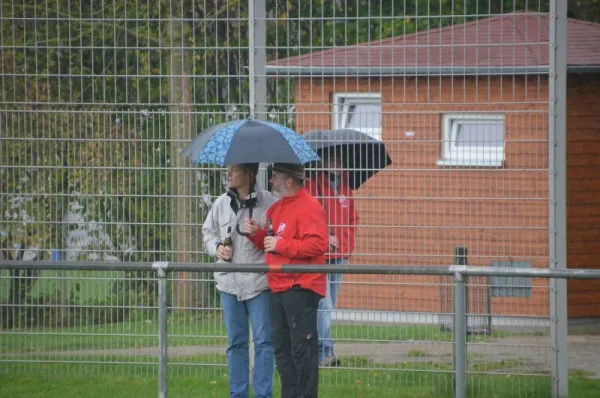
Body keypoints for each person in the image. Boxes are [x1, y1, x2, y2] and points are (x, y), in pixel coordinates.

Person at [244, 163, 329, 398]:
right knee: (282, 350)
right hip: (278, 287)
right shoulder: (276, 209)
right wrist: (256, 234)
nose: (271, 181)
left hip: (301, 287)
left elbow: (318, 244)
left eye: (275, 177)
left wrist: (282, 245)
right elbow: (270, 243)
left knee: (302, 351)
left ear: (289, 181)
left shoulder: (310, 207)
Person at [202, 163, 278, 398]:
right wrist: (217, 249)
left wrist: (260, 232)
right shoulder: (220, 203)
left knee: (264, 343)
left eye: (234, 170)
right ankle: (238, 394)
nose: (229, 174)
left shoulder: (270, 203)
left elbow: (277, 240)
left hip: (259, 285)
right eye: (229, 169)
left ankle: (263, 394)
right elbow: (207, 232)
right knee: (236, 343)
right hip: (229, 285)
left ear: (249, 175)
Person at [306, 149, 358, 367]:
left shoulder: (346, 188)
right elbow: (307, 219)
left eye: (339, 159)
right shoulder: (312, 186)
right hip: (320, 255)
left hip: (341, 255)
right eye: (331, 159)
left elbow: (353, 218)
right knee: (323, 306)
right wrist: (324, 237)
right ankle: (324, 353)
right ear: (322, 162)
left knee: (330, 305)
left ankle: (324, 350)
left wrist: (348, 241)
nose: (336, 162)